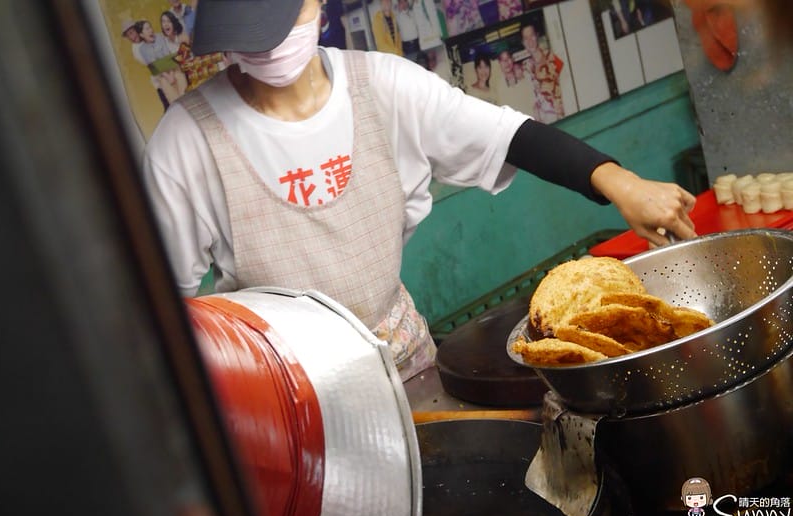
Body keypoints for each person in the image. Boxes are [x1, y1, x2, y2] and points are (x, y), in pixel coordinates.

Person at [143, 0, 697, 382]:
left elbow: (508, 135)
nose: (266, 46)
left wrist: (623, 183)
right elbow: (164, 312)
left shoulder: (382, 86)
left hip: (402, 361)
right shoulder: (187, 144)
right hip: (286, 393)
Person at [136, 20, 189, 104]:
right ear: (141, 35)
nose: (151, 30)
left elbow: (168, 56)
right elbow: (155, 66)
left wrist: (171, 74)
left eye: (150, 27)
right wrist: (168, 77)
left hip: (172, 68)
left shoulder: (160, 37)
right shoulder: (142, 49)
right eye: (147, 29)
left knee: (184, 90)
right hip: (162, 75)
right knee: (174, 99)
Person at [121, 18, 170, 110]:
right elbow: (154, 64)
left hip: (168, 69)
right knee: (168, 105)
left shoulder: (151, 36)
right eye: (128, 36)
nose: (132, 37)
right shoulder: (137, 50)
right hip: (160, 78)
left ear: (138, 30)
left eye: (132, 32)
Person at [521, 24, 565, 123]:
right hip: (545, 120)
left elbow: (567, 83)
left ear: (536, 36)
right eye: (525, 38)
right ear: (523, 43)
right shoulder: (526, 68)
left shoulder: (552, 57)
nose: (530, 41)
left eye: (531, 35)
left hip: (563, 113)